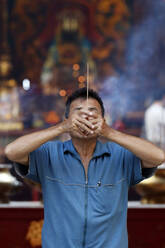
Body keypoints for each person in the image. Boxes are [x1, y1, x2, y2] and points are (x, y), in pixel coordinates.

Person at [5, 88, 165, 248]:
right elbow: (12, 152)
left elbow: (158, 156)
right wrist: (60, 128)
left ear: (102, 119)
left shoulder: (120, 156)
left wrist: (109, 132)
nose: (86, 117)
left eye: (93, 112)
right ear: (67, 119)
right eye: (78, 112)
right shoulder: (50, 153)